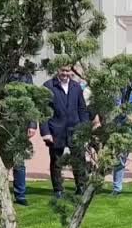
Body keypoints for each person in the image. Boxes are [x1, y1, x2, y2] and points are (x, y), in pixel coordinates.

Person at [40, 65, 90, 199]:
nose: (65, 73)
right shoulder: (48, 86)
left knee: (79, 159)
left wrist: (85, 128)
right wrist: (45, 132)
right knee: (57, 161)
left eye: (68, 71)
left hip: (75, 129)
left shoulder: (76, 87)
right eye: (62, 70)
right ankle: (58, 189)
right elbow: (43, 112)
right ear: (57, 70)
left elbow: (82, 109)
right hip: (56, 130)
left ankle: (81, 186)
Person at [8, 65, 39, 206]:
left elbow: (32, 99)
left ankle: (20, 195)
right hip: (0, 122)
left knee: (19, 162)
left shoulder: (25, 74)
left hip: (20, 125)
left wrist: (32, 124)